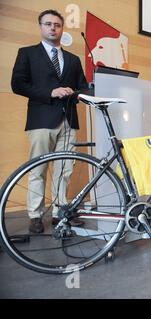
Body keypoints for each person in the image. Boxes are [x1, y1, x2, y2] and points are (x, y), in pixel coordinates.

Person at [11, 9, 88, 234]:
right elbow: (18, 84)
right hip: (41, 119)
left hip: (69, 120)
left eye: (56, 24)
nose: (53, 28)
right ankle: (35, 215)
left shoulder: (73, 60)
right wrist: (50, 92)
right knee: (39, 169)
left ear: (62, 28)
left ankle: (59, 213)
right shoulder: (27, 53)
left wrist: (75, 92)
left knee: (64, 170)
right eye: (48, 24)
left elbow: (82, 86)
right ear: (41, 27)